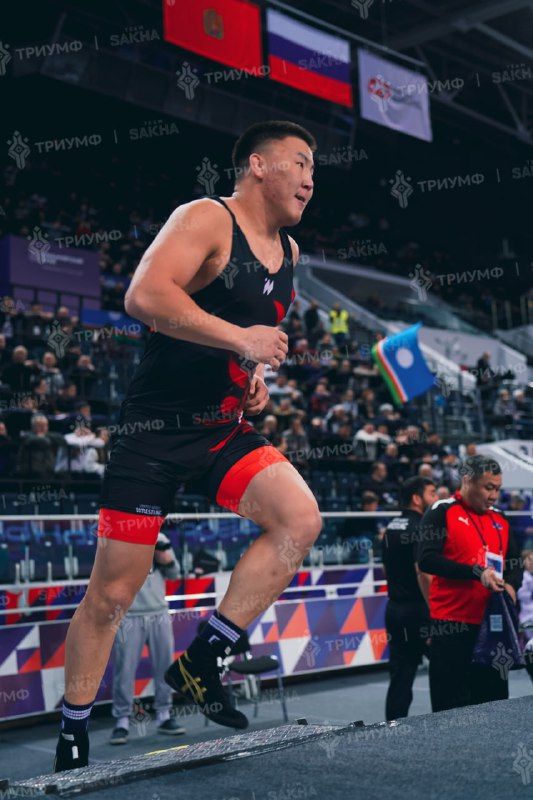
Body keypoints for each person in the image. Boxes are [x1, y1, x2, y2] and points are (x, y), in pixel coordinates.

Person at [54, 120, 321, 771]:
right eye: (299, 162)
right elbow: (144, 295)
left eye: (314, 169)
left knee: (299, 520)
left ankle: (203, 660)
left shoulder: (288, 252)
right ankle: (72, 733)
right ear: (257, 165)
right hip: (153, 436)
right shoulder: (206, 217)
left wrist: (251, 375)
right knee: (113, 595)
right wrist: (242, 341)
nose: (310, 179)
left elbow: (238, 338)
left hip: (222, 431)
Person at [417, 455, 522, 712]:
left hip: (492, 625)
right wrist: (476, 572)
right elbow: (427, 559)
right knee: (451, 709)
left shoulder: (500, 517)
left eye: (498, 489)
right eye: (488, 487)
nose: (494, 495)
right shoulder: (442, 510)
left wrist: (512, 585)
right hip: (452, 625)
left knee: (495, 705)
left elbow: (515, 563)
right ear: (467, 481)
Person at [110, 533, 185, 743]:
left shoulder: (160, 537)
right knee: (124, 668)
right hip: (129, 614)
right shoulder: (120, 537)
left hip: (159, 613)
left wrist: (165, 558)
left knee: (164, 666)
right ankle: (122, 721)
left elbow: (174, 574)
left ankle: (164, 716)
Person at [382, 477, 437, 720]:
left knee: (400, 679)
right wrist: (435, 612)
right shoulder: (422, 526)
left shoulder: (390, 528)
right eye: (432, 493)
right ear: (417, 498)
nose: (436, 498)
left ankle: (393, 729)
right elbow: (422, 572)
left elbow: (386, 569)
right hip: (419, 611)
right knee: (446, 671)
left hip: (395, 611)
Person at [517, 550, 533, 685]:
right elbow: (522, 597)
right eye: (529, 560)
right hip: (526, 618)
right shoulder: (523, 578)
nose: (532, 563)